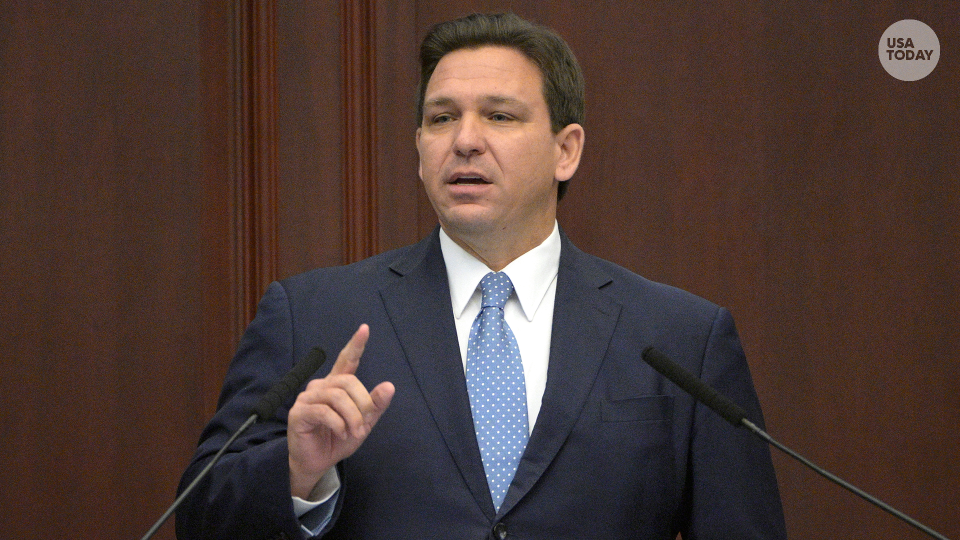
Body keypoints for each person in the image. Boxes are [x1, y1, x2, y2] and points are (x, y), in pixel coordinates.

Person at [176, 12, 787, 540]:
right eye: (441, 119)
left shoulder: (682, 339)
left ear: (565, 149)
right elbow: (198, 517)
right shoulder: (312, 317)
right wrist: (295, 473)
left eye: (499, 116)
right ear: (419, 150)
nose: (465, 141)